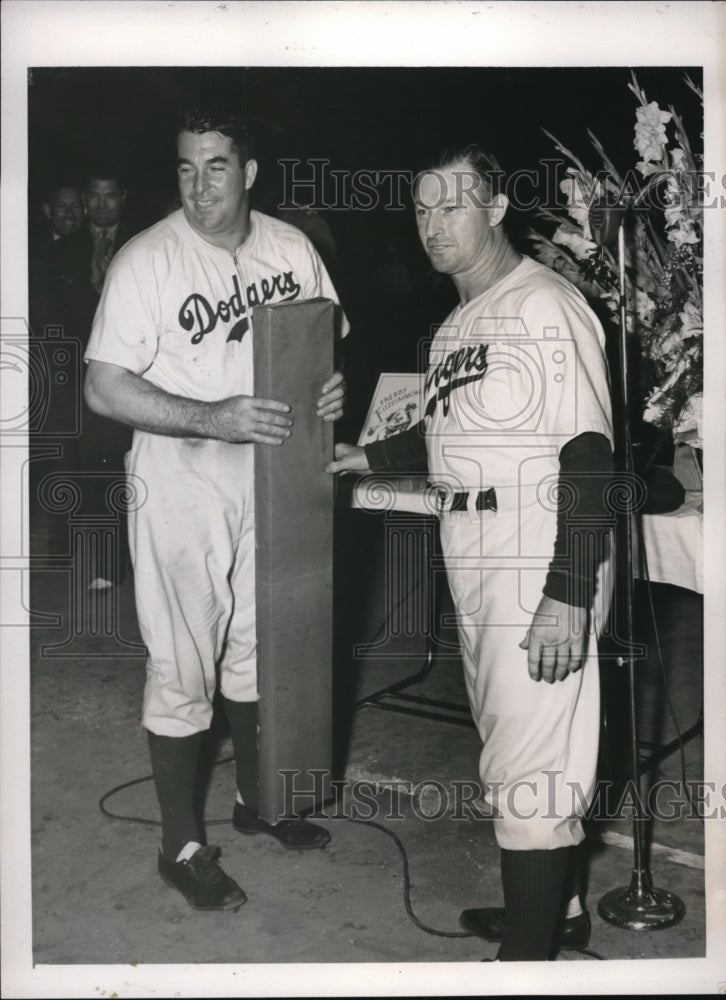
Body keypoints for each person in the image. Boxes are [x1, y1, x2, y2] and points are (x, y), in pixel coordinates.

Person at [327, 145, 614, 961]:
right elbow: (455, 430)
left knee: (533, 766)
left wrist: (568, 591)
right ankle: (553, 910)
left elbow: (591, 458)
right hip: (473, 547)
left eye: (452, 205)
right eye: (421, 208)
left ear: (494, 210)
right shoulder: (456, 324)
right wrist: (372, 457)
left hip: (537, 549)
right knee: (509, 748)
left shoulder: (543, 306)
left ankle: (525, 964)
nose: (432, 225)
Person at [83, 105, 347, 912]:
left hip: (270, 474)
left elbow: (326, 337)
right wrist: (213, 416)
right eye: (187, 168)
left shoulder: (291, 247)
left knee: (260, 649)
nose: (200, 186)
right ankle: (181, 844)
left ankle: (260, 801)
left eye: (218, 166)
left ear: (250, 173)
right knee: (184, 663)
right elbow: (103, 386)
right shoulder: (148, 260)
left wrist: (330, 386)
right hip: (181, 477)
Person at [50, 166, 138, 589]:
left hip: (133, 374)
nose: (102, 206)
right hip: (83, 379)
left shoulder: (143, 247)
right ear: (85, 202)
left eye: (110, 197)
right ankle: (106, 568)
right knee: (97, 469)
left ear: (123, 198)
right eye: (95, 198)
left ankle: (143, 564)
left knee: (134, 472)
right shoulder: (66, 251)